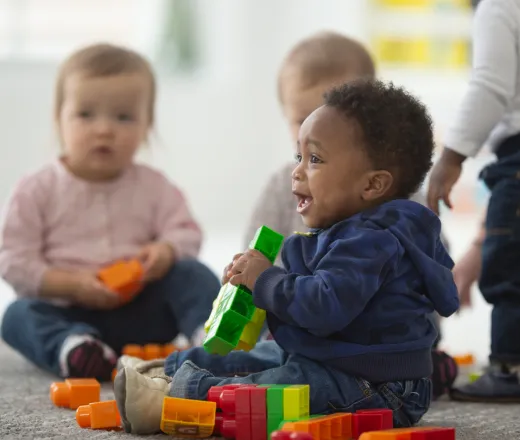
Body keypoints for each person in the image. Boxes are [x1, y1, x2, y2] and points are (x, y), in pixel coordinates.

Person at [113, 80, 459, 434]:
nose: (296, 171)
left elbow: (323, 308)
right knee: (258, 357)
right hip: (334, 358)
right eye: (299, 156)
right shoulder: (351, 230)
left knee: (276, 384)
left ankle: (171, 396)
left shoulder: (372, 242)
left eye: (315, 160)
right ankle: (163, 371)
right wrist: (249, 284)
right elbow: (307, 302)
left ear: (372, 185)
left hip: (378, 386)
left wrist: (266, 280)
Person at [243, 31, 456, 397]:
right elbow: (257, 258)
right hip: (301, 318)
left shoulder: (401, 207)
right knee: (254, 355)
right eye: (302, 121)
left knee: (264, 384)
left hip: (370, 345)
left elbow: (433, 275)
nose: (315, 131)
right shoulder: (284, 185)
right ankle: (173, 369)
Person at [0, 43, 220, 382]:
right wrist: (72, 285)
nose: (104, 129)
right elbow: (14, 261)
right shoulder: (37, 189)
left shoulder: (154, 186)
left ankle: (209, 342)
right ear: (59, 118)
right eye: (86, 114)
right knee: (16, 315)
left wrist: (165, 250)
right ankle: (74, 349)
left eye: (123, 117)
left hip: (139, 313)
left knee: (193, 273)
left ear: (147, 126)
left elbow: (186, 231)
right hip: (65, 310)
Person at [427, 0, 520, 402]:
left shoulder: (498, 6)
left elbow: (490, 85)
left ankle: (510, 368)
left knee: (509, 268)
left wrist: (451, 157)